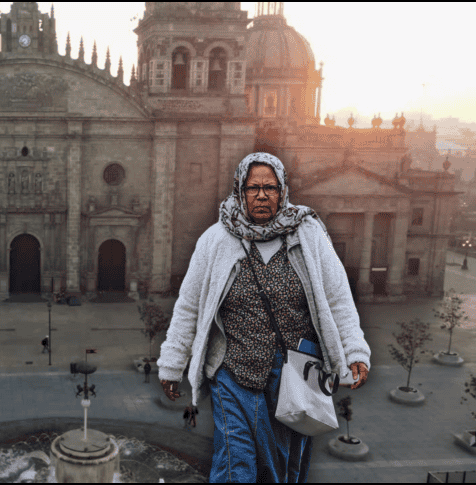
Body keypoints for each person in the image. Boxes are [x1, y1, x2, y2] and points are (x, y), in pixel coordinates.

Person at [157, 152, 370, 483]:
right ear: (240, 191)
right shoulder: (215, 240)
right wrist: (172, 363)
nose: (261, 195)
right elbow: (189, 306)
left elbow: (338, 298)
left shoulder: (308, 235)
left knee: (281, 468)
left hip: (296, 375)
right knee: (235, 462)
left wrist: (355, 350)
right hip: (233, 375)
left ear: (282, 191)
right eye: (252, 187)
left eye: (269, 188)